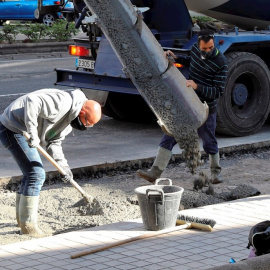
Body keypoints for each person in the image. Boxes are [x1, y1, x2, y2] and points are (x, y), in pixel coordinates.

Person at [0, 88, 102, 237]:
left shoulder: (68, 121)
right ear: (81, 113)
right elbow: (32, 101)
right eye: (86, 123)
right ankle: (28, 227)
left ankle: (22, 221)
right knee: (36, 174)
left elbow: (54, 142)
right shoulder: (63, 102)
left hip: (23, 131)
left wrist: (64, 166)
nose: (85, 128)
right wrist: (33, 132)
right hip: (14, 127)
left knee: (30, 174)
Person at [137, 29, 228, 185]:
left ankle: (215, 173)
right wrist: (177, 58)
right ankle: (155, 172)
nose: (206, 52)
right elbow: (190, 60)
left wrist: (197, 86)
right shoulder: (195, 50)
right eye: (204, 49)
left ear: (214, 44)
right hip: (187, 101)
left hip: (205, 108)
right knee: (170, 135)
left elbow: (217, 91)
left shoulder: (221, 62)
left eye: (210, 48)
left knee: (208, 140)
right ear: (198, 45)